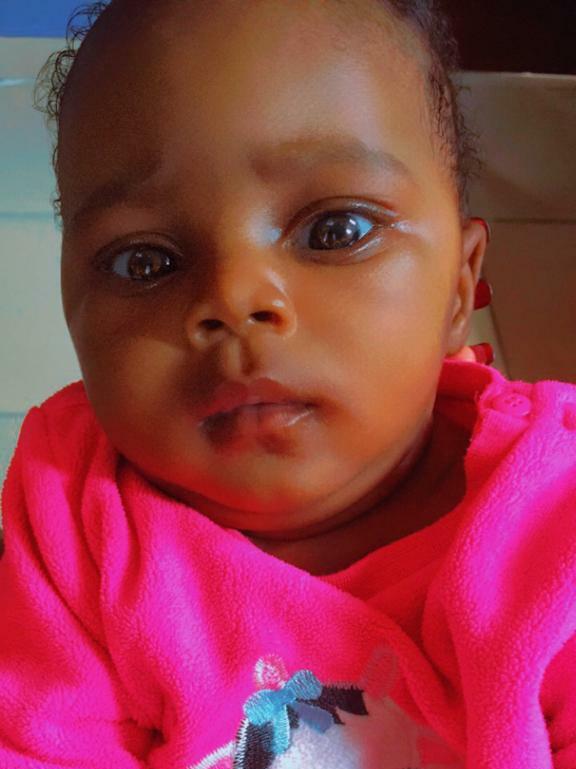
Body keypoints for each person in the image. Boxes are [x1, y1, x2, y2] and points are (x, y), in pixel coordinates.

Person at [0, 0, 575, 767]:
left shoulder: (552, 521)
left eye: (336, 230)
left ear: (459, 289)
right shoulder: (78, 512)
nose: (235, 297)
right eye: (144, 261)